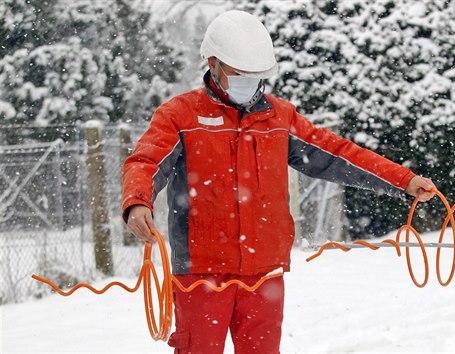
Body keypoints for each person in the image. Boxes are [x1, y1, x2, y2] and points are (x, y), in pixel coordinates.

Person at [122, 10, 436, 354]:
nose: (250, 83)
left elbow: (338, 154)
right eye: (240, 74)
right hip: (201, 271)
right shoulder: (180, 115)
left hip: (264, 271)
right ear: (213, 64)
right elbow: (146, 161)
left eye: (257, 76)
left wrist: (403, 180)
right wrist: (138, 201)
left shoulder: (279, 118)